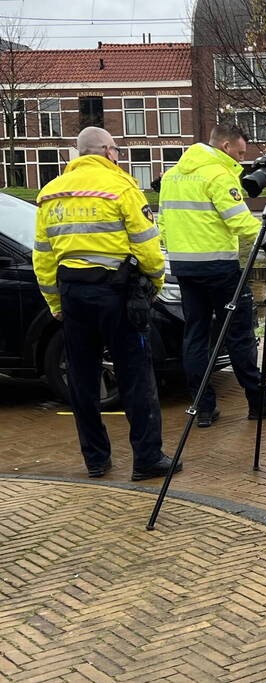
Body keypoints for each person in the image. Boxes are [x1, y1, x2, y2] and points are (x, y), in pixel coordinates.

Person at [33, 126, 179, 481]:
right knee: (136, 377)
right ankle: (147, 458)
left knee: (82, 381)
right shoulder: (122, 187)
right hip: (118, 294)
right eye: (116, 149)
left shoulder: (49, 193)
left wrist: (55, 302)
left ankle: (96, 460)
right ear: (107, 151)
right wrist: (155, 283)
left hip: (73, 295)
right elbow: (146, 243)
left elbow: (43, 257)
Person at [158, 124, 266, 428]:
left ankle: (203, 407)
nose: (241, 159)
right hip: (220, 268)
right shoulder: (218, 175)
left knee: (195, 336)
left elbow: (164, 224)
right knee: (239, 334)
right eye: (239, 152)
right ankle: (259, 402)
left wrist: (178, 253)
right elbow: (240, 222)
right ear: (225, 146)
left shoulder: (171, 176)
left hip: (184, 267)